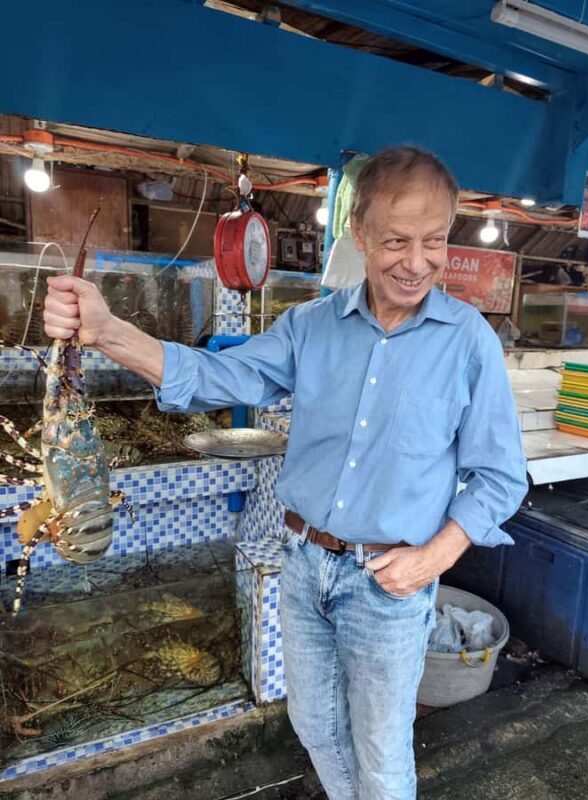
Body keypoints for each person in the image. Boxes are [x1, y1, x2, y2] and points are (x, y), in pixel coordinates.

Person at [44, 147, 528, 800]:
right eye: (396, 241)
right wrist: (105, 332)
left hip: (390, 582)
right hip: (303, 565)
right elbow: (215, 376)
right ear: (359, 232)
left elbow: (500, 477)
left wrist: (433, 558)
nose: (417, 263)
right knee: (315, 723)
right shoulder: (308, 326)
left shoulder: (469, 343)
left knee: (381, 756)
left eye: (434, 241)